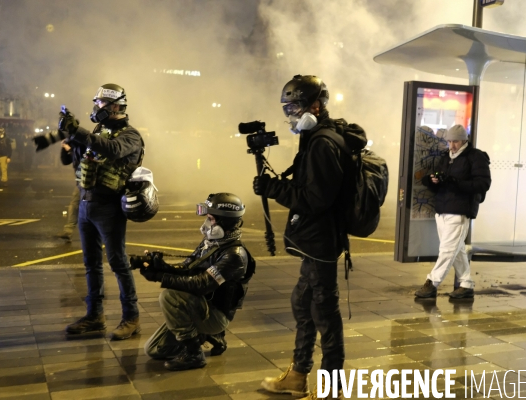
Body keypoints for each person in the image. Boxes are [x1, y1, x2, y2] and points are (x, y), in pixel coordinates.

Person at [253, 75, 365, 399]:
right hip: (316, 240)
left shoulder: (323, 143)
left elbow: (316, 198)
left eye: (295, 107)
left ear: (315, 105)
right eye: (287, 108)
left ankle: (332, 388)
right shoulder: (316, 137)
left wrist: (273, 188)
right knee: (302, 304)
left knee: (324, 314)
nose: (290, 114)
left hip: (321, 241)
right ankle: (298, 375)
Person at [59, 83, 144, 340]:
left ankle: (131, 318)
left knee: (118, 263)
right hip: (86, 204)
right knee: (91, 264)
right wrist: (70, 137)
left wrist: (80, 133)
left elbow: (113, 150)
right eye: (96, 103)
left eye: (101, 104)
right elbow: (71, 161)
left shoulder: (130, 135)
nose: (97, 107)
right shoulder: (98, 131)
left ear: (116, 106)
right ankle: (94, 316)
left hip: (109, 207)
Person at [138, 193, 250, 371]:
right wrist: (161, 267)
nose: (207, 224)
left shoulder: (234, 255)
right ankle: (208, 336)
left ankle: (193, 354)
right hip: (200, 307)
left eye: (211, 219)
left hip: (215, 315)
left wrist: (161, 277)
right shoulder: (212, 243)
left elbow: (201, 284)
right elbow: (187, 267)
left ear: (225, 222)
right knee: (154, 350)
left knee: (170, 297)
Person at [414, 124, 491, 299]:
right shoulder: (446, 157)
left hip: (460, 210)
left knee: (448, 250)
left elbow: (483, 184)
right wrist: (432, 180)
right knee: (457, 249)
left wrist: (454, 181)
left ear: (464, 140)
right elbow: (443, 181)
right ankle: (466, 284)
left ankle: (432, 283)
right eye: (449, 141)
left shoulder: (475, 157)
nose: (452, 145)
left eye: (455, 141)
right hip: (442, 209)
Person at [56, 139, 81, 241]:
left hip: (93, 182)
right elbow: (65, 161)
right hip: (81, 181)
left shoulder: (84, 143)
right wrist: (64, 148)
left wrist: (70, 150)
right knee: (74, 205)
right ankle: (68, 231)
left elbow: (83, 158)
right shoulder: (74, 145)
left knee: (77, 205)